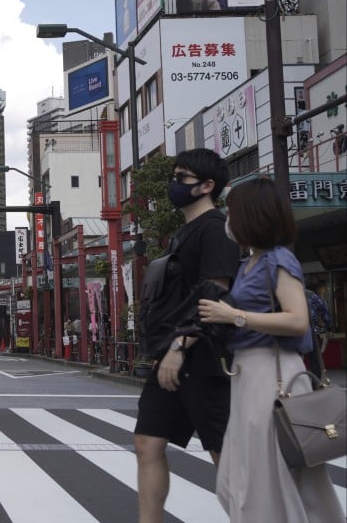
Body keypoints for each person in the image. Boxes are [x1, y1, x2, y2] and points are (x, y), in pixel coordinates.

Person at [198, 177, 344, 522]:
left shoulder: (278, 259)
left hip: (273, 375)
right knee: (251, 474)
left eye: (232, 213)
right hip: (250, 376)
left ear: (251, 216)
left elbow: (297, 321)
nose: (228, 222)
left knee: (266, 474)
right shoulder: (249, 263)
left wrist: (234, 316)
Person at [134, 149, 241, 523]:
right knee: (147, 442)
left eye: (182, 178)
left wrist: (181, 345)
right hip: (172, 356)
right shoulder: (184, 231)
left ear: (208, 186)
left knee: (223, 453)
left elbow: (214, 290)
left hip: (204, 357)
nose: (174, 185)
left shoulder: (217, 228)